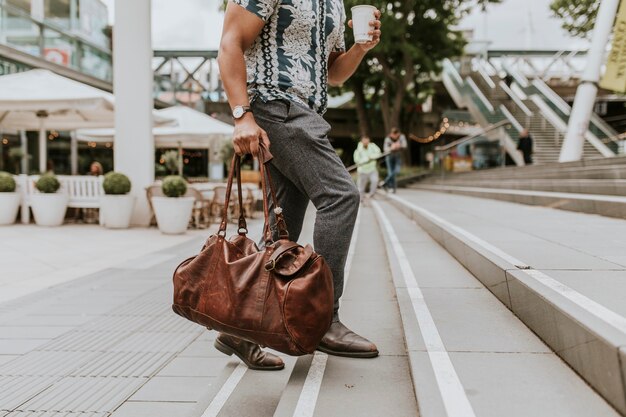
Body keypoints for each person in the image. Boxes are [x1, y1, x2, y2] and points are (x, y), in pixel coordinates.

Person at [217, 0, 382, 369]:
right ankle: (322, 321)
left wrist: (360, 48)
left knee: (282, 231)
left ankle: (240, 329)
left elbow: (334, 73)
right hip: (275, 105)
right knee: (340, 196)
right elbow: (230, 42)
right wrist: (242, 115)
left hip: (305, 111)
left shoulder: (335, 4)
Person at [353, 136, 382, 201]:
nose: (366, 142)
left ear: (368, 140)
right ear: (362, 141)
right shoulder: (358, 150)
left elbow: (378, 153)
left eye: (367, 140)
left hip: (372, 169)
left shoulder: (372, 146)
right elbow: (356, 160)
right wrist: (364, 160)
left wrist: (371, 157)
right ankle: (360, 198)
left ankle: (371, 194)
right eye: (364, 140)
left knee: (375, 181)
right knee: (361, 186)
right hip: (362, 170)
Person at [382, 128, 407, 193]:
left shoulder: (401, 137)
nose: (395, 136)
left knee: (396, 171)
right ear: (391, 134)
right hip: (389, 157)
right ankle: (392, 188)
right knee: (390, 172)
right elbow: (385, 149)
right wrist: (391, 148)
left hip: (397, 156)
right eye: (393, 134)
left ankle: (384, 182)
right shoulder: (387, 138)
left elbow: (405, 145)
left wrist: (399, 146)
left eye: (396, 134)